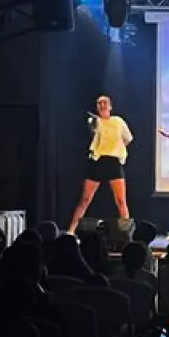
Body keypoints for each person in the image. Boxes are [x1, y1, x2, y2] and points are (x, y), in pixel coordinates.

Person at [67, 95, 132, 234]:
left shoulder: (118, 121)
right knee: (85, 199)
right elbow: (92, 131)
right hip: (98, 162)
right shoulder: (95, 121)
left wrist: (118, 149)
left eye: (104, 103)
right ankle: (71, 231)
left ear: (110, 106)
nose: (102, 105)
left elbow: (127, 138)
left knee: (121, 200)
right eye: (99, 103)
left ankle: (126, 234)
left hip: (114, 162)